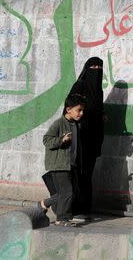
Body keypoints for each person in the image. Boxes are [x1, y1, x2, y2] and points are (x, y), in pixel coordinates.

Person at [68, 57, 106, 219]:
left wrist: (102, 115)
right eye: (93, 66)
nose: (96, 69)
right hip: (80, 137)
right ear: (87, 68)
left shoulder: (98, 90)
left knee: (87, 173)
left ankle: (84, 207)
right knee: (77, 172)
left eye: (99, 67)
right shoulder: (79, 86)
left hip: (93, 138)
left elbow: (98, 109)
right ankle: (73, 207)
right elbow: (70, 108)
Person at [41, 93, 86, 226]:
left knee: (65, 192)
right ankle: (62, 218)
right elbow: (46, 140)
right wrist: (61, 140)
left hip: (70, 164)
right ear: (68, 109)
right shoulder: (59, 123)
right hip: (59, 164)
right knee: (67, 192)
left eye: (82, 110)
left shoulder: (76, 124)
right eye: (79, 110)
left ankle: (45, 204)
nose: (81, 113)